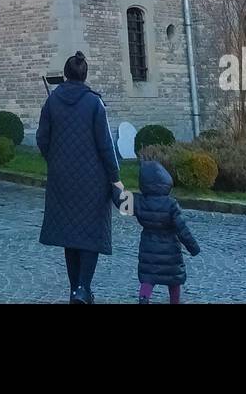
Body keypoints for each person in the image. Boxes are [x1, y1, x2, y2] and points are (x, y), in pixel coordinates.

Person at [36, 50, 123, 304]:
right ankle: (83, 288)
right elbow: (105, 144)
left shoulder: (52, 101)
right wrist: (115, 178)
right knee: (90, 233)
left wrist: (54, 159)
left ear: (65, 74)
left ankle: (75, 289)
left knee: (69, 233)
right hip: (93, 179)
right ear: (85, 75)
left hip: (61, 178)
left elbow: (42, 138)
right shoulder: (95, 103)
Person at [133, 159, 200, 304]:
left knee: (147, 279)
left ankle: (144, 298)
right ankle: (174, 301)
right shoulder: (171, 204)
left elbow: (121, 202)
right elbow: (182, 228)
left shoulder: (139, 202)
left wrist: (113, 186)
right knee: (174, 281)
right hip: (171, 250)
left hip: (148, 247)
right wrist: (193, 247)